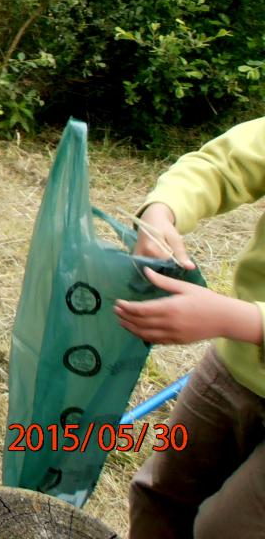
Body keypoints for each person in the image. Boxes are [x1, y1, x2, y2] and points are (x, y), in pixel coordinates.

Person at [114, 117, 265, 538]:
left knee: (228, 529)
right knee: (159, 497)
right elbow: (223, 165)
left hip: (240, 335)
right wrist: (163, 212)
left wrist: (237, 318)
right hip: (234, 370)